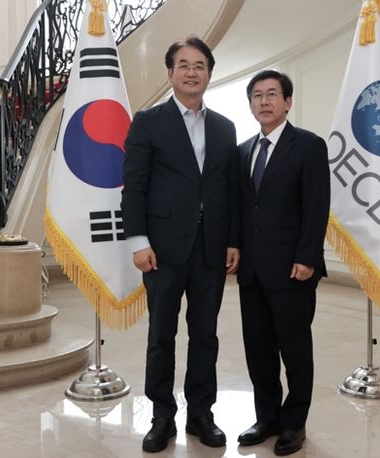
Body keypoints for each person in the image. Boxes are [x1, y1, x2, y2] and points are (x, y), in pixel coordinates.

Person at [122, 36, 239, 453]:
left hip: (211, 248)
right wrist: (138, 241)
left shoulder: (225, 127)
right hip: (162, 250)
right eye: (184, 65)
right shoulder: (148, 121)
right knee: (161, 336)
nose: (192, 72)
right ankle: (162, 416)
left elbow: (229, 189)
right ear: (170, 73)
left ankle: (201, 414)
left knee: (205, 335)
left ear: (209, 73)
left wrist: (233, 240)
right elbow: (134, 186)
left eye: (200, 65)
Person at [235, 70, 330, 456]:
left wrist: (307, 257)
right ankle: (267, 418)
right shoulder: (242, 151)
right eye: (257, 95)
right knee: (258, 350)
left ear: (288, 102)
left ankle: (294, 424)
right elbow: (243, 209)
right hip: (252, 271)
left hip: (293, 269)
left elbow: (317, 206)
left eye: (272, 94)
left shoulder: (308, 146)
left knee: (295, 351)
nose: (264, 101)